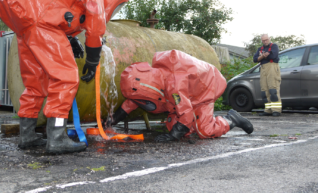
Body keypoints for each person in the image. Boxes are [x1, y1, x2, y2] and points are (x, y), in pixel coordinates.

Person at [0, 0, 131, 153]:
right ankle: (57, 138)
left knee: (35, 82)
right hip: (39, 20)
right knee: (66, 79)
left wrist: (70, 38)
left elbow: (57, 10)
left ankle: (27, 136)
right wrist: (92, 60)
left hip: (20, 17)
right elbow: (95, 29)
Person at [105, 50, 253, 142]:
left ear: (148, 87)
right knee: (176, 127)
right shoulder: (154, 80)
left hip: (205, 88)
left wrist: (174, 136)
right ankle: (196, 123)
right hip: (189, 94)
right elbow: (134, 100)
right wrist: (111, 121)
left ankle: (231, 119)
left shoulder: (174, 84)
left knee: (203, 131)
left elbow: (186, 113)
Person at [253, 34, 281, 116]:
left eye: (266, 40)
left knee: (273, 89)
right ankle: (268, 110)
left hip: (272, 67)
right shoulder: (260, 49)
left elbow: (273, 56)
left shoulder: (274, 46)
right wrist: (263, 56)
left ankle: (276, 110)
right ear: (261, 41)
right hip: (263, 68)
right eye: (263, 40)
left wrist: (260, 57)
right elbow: (255, 59)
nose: (265, 42)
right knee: (264, 90)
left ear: (269, 39)